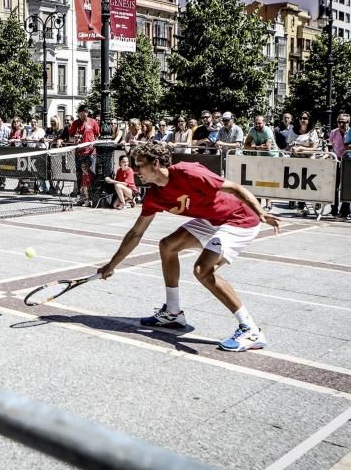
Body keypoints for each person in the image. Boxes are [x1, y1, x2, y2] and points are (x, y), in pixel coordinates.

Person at [98, 141, 281, 352]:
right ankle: (173, 313)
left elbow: (235, 188)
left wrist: (260, 213)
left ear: (155, 163)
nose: (135, 170)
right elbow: (135, 233)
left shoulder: (188, 172)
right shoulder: (155, 195)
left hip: (238, 218)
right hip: (209, 220)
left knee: (203, 270)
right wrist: (111, 265)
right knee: (167, 245)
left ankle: (251, 330)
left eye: (139, 165)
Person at [69, 104, 100, 205]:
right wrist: (75, 139)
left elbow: (97, 135)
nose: (83, 115)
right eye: (81, 114)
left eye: (84, 113)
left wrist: (93, 143)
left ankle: (91, 196)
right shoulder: (75, 123)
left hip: (91, 153)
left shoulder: (93, 122)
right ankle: (80, 195)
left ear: (87, 112)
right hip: (79, 152)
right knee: (79, 175)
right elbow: (70, 137)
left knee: (91, 173)